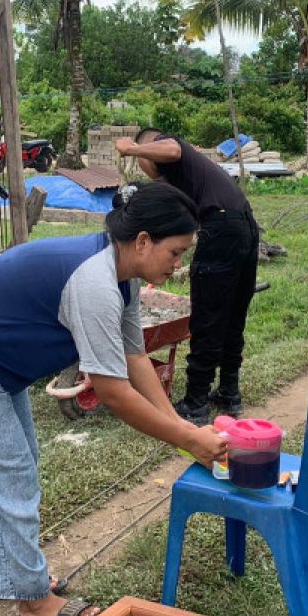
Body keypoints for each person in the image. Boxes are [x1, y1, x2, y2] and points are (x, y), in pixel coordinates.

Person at [0, 181, 228, 616]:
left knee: (8, 469)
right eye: (175, 253)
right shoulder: (94, 283)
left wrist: (180, 427)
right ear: (141, 241)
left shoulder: (121, 276)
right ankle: (34, 603)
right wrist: (188, 437)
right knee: (5, 476)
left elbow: (135, 357)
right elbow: (114, 392)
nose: (179, 264)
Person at [114, 128, 260, 425]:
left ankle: (195, 402)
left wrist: (132, 149)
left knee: (207, 316)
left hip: (222, 227)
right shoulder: (188, 176)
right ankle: (229, 392)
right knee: (232, 315)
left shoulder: (172, 150)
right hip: (243, 223)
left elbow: (172, 149)